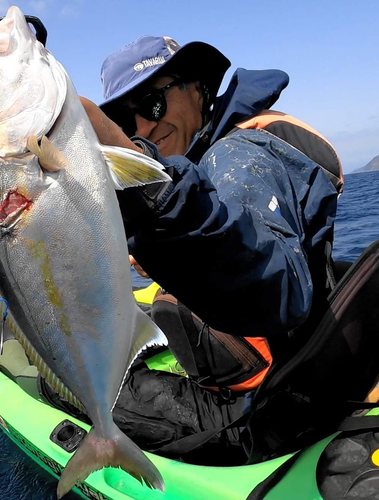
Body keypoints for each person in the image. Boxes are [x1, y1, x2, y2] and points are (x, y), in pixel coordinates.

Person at [75, 35, 345, 461]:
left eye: (152, 103)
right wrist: (169, 243)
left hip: (273, 403)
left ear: (198, 86)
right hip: (301, 362)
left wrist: (157, 205)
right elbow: (237, 233)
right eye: (126, 122)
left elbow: (279, 290)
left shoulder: (237, 154)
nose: (143, 128)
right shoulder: (209, 160)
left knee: (82, 388)